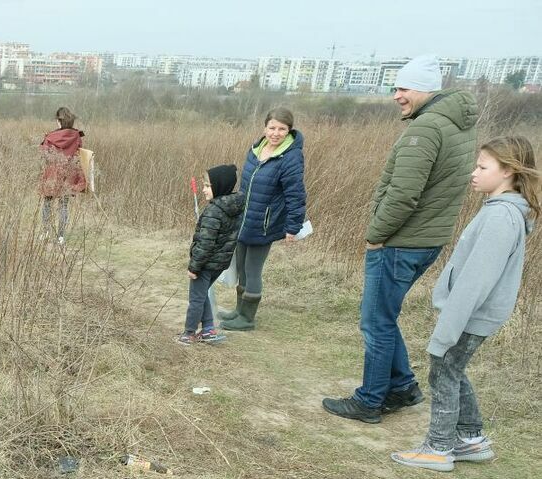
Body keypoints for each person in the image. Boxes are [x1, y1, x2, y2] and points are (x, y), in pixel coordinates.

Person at [323, 55, 478, 423]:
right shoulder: (456, 125)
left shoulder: (425, 129)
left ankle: (370, 400)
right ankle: (404, 386)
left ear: (425, 89)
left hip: (400, 241)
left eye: (403, 88)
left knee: (375, 322)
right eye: (395, 87)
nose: (397, 95)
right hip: (427, 239)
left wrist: (375, 236)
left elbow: (404, 194)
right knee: (385, 317)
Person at [391, 136, 537, 471]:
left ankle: (438, 448)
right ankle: (470, 438)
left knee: (442, 368)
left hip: (472, 314)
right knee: (452, 368)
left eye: (482, 167)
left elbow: (477, 280)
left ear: (508, 172)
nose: (474, 172)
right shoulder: (500, 211)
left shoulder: (502, 217)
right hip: (475, 314)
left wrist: (449, 324)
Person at [219, 107, 307, 331]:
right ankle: (238, 311)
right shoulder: (256, 150)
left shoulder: (291, 157)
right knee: (240, 268)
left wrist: (293, 226)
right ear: (264, 128)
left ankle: (247, 319)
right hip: (244, 219)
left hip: (265, 224)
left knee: (252, 269)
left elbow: (295, 194)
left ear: (289, 131)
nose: (276, 133)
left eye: (282, 129)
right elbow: (245, 187)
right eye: (272, 128)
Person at [178, 164, 245, 345]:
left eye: (207, 186)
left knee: (196, 299)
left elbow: (205, 244)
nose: (203, 189)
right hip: (219, 263)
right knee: (203, 294)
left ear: (219, 186)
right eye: (203, 185)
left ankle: (188, 333)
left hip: (205, 263)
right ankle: (208, 330)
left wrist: (194, 266)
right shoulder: (234, 207)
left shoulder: (213, 211)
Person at [40, 107, 87, 244]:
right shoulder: (76, 136)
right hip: (69, 173)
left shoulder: (50, 136)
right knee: (63, 205)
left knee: (47, 203)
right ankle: (61, 237)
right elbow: (79, 154)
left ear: (59, 121)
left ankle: (45, 232)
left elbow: (45, 154)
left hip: (52, 174)